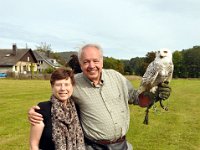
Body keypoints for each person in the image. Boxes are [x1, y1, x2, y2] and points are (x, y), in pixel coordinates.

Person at [28, 44, 171, 150]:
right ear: (80, 64)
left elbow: (137, 99)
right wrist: (37, 111)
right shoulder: (74, 83)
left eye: (95, 61)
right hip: (93, 147)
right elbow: (57, 102)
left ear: (102, 61)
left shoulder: (116, 77)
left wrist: (154, 95)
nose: (91, 66)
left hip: (122, 145)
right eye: (86, 62)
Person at [29, 68, 85, 150]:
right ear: (52, 87)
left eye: (66, 84)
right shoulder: (42, 108)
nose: (63, 88)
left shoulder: (77, 108)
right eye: (58, 85)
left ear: (72, 86)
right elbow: (33, 145)